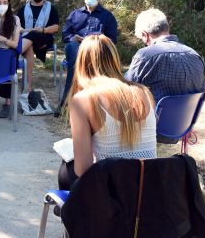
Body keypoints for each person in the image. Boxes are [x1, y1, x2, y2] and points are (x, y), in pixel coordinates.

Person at [58, 34, 156, 190]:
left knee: (66, 167)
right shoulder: (144, 92)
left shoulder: (84, 99)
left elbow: (82, 170)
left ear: (82, 63)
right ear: (114, 59)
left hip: (110, 193)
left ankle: (68, 212)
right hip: (147, 189)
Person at [58, 0, 118, 115]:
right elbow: (65, 34)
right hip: (76, 49)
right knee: (74, 51)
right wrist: (74, 38)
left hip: (97, 52)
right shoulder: (74, 15)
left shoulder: (108, 16)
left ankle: (82, 104)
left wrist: (95, 41)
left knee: (81, 61)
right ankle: (68, 103)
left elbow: (112, 39)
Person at [125, 8, 205, 101]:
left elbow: (126, 89)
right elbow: (203, 91)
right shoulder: (194, 55)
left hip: (155, 115)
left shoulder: (145, 56)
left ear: (145, 35)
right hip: (188, 115)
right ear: (167, 28)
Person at [16, 0, 60, 93]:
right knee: (29, 45)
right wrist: (20, 30)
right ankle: (28, 86)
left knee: (34, 33)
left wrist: (43, 30)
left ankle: (13, 52)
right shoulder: (22, 9)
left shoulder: (51, 9)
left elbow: (55, 27)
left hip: (44, 38)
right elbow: (17, 26)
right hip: (27, 41)